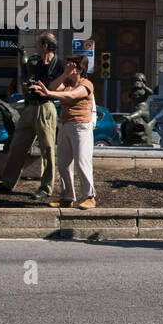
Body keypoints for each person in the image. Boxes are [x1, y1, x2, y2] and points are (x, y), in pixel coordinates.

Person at [0, 33, 64, 199]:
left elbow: (65, 86)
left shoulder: (59, 64)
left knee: (48, 149)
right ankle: (7, 182)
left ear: (45, 45)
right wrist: (29, 84)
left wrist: (47, 90)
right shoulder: (37, 62)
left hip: (46, 107)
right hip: (29, 107)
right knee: (17, 146)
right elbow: (28, 74)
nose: (35, 46)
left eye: (37, 44)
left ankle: (46, 188)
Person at [31, 54, 97, 209]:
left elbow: (71, 95)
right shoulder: (67, 82)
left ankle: (89, 197)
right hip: (65, 126)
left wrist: (48, 94)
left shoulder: (86, 84)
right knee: (63, 164)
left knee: (82, 163)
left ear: (79, 68)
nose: (67, 65)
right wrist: (64, 74)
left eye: (71, 64)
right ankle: (67, 198)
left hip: (81, 127)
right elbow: (54, 87)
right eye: (67, 62)